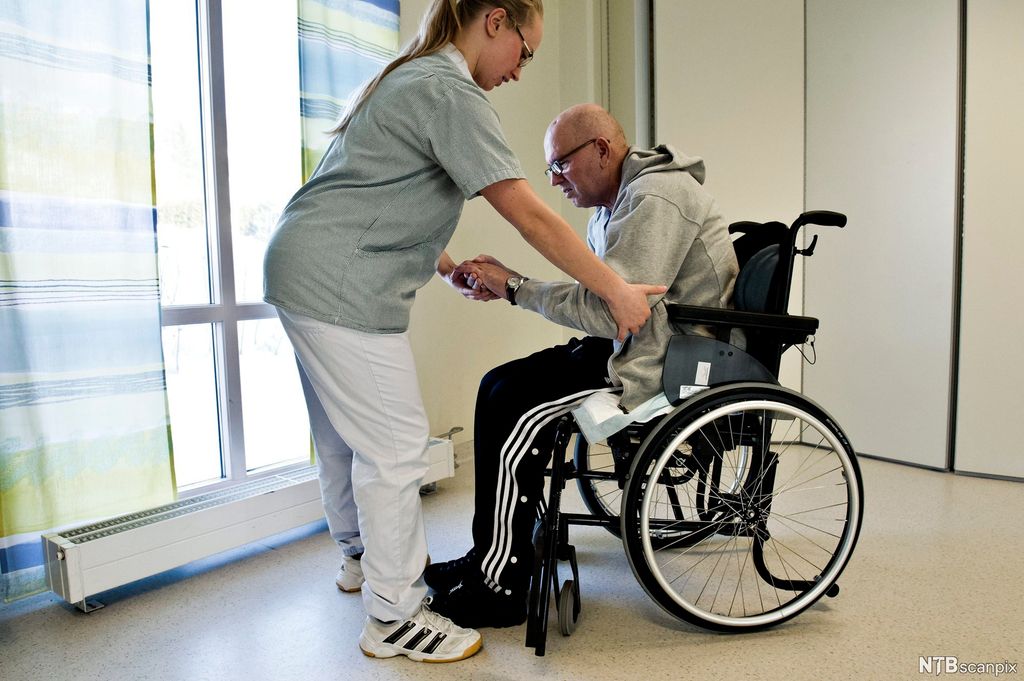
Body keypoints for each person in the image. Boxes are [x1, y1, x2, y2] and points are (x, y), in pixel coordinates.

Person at [263, 1, 665, 664]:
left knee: (344, 439)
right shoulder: (449, 91)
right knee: (394, 450)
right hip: (340, 286)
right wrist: (613, 288)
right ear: (495, 21)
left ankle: (363, 559)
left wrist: (444, 263)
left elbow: (382, 190)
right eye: (525, 52)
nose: (519, 70)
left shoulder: (411, 75)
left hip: (299, 264)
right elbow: (531, 218)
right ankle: (393, 615)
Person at [422, 103, 740, 629]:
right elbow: (601, 307)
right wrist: (511, 283)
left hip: (661, 362)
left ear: (599, 149)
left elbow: (609, 310)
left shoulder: (656, 198)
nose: (553, 180)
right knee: (496, 384)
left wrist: (514, 286)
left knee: (514, 409)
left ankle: (502, 586)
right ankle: (490, 555)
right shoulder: (614, 207)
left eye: (559, 165)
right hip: (635, 347)